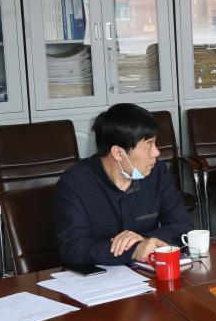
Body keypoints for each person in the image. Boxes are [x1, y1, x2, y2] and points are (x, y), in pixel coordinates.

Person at [56, 103, 193, 266]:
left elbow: (183, 225)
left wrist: (144, 240)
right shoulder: (74, 183)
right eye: (148, 145)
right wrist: (133, 250)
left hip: (148, 273)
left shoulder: (157, 173)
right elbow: (73, 248)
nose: (156, 152)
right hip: (100, 277)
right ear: (118, 153)